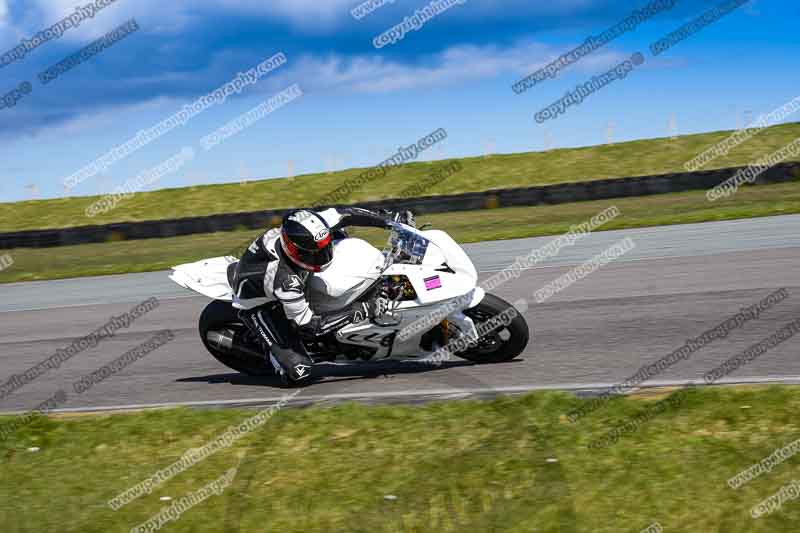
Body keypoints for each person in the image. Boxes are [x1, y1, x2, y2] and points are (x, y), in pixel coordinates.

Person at [232, 206, 415, 383]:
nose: (323, 256)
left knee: (339, 231)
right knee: (300, 372)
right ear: (294, 251)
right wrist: (363, 309)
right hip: (259, 302)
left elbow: (347, 214)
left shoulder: (311, 226)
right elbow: (311, 326)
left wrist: (391, 221)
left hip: (292, 274)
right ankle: (273, 353)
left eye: (324, 248)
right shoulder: (284, 280)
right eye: (315, 254)